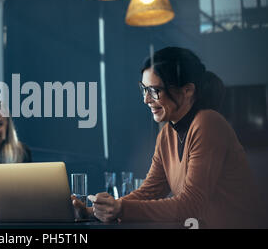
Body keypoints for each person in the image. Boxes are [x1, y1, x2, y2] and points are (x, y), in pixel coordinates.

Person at [73, 47, 266, 228]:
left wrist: (121, 209)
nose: (146, 99)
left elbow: (191, 205)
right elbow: (149, 191)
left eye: (154, 90)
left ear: (187, 90)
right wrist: (92, 212)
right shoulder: (166, 133)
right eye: (144, 89)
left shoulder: (208, 122)